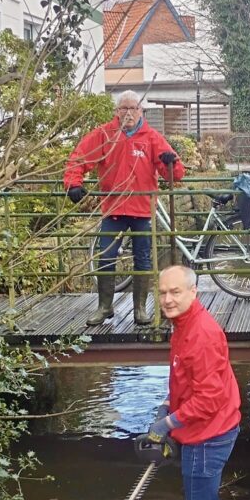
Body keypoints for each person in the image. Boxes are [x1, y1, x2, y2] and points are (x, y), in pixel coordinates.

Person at [141, 265, 240, 500]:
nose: (167, 299)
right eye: (163, 292)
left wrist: (169, 423)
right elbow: (191, 381)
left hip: (207, 436)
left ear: (193, 292)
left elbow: (209, 398)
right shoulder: (183, 325)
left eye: (175, 292)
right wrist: (168, 405)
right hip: (214, 425)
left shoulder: (202, 335)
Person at [64, 91, 185, 326]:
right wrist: (73, 183)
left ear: (141, 111)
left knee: (143, 259)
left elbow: (175, 175)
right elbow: (79, 158)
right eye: (123, 108)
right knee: (106, 257)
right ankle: (104, 306)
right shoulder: (104, 135)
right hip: (114, 208)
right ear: (116, 112)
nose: (128, 113)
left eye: (133, 108)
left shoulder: (151, 137)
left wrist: (171, 162)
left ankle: (140, 308)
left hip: (141, 209)